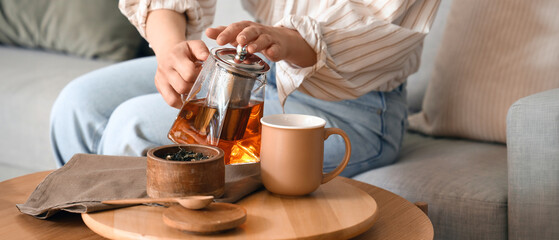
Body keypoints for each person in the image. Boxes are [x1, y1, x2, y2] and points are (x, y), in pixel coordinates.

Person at [50, 0, 440, 177]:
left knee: (132, 124)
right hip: (259, 63)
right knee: (80, 104)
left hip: (347, 104)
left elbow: (380, 20)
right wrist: (171, 52)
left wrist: (285, 39)